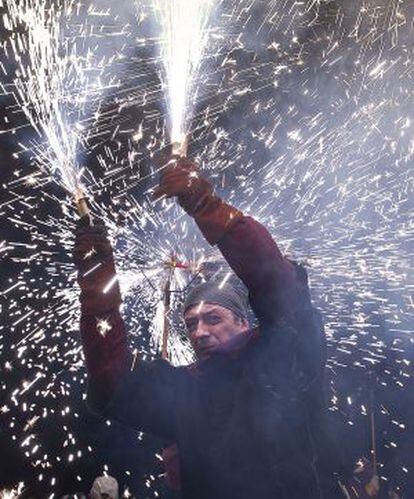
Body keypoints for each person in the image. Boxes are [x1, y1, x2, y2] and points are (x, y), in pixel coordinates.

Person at [74, 156, 343, 499]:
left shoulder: (288, 354)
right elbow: (111, 377)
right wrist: (98, 283)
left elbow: (276, 283)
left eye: (213, 318)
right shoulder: (187, 391)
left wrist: (207, 205)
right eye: (191, 324)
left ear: (244, 321)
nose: (199, 332)